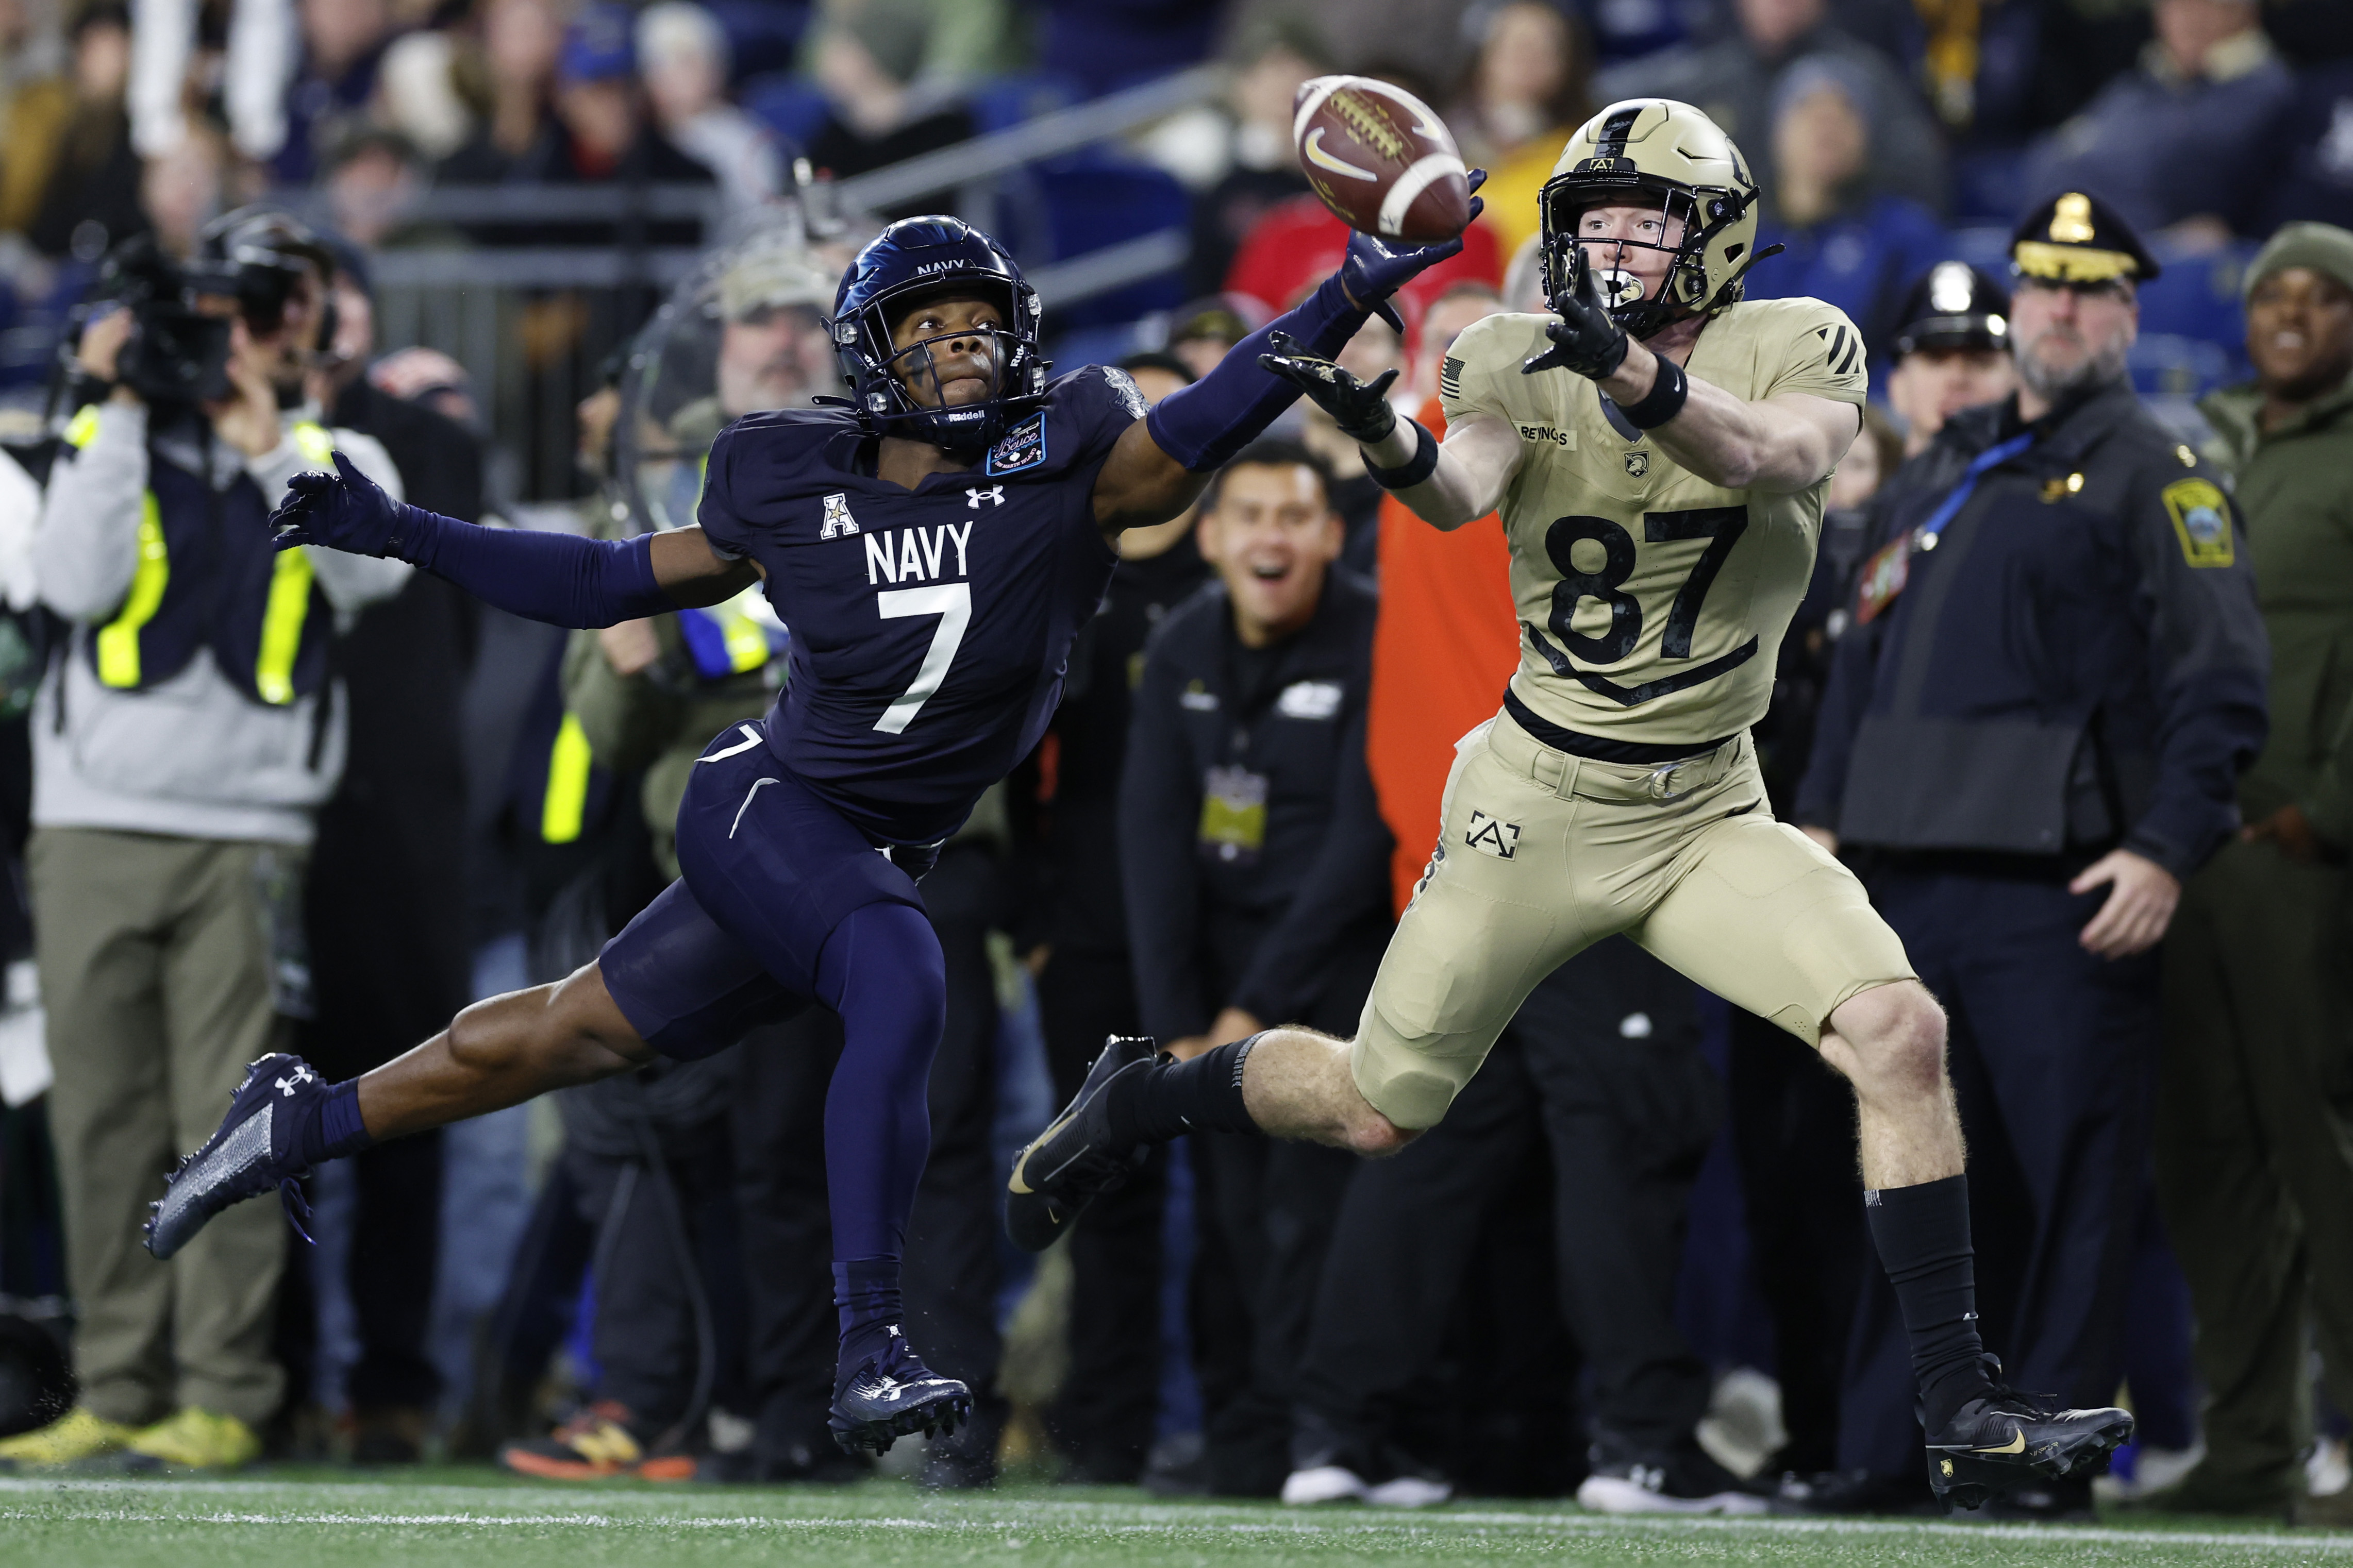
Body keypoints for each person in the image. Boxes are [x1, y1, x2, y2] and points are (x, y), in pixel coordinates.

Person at [139, 206, 1477, 1458]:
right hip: (763, 802)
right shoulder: (782, 471)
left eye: (980, 327)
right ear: (869, 357)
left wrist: (1362, 277)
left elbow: (1211, 412)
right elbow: (610, 578)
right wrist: (398, 530)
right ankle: (869, 1346)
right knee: (898, 974)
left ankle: (299, 1121)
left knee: (570, 1031)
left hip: (865, 849)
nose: (964, 352)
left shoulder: (1071, 450)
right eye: (928, 332)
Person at [1007, 98, 2136, 1514]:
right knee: (1377, 1107)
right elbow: (1454, 488)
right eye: (1590, 216)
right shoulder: (1506, 349)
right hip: (1534, 798)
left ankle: (1958, 1397)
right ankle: (1147, 1095)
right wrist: (1381, 434)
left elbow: (1777, 458)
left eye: (1642, 217)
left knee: (1895, 1029)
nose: (1608, 243)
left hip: (1708, 804)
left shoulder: (1794, 337)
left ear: (1712, 234)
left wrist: (1633, 378)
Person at [1792, 191, 2268, 1519]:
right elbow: (1858, 677)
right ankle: (1894, 1449)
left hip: (2057, 891)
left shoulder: (2155, 471)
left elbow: (2223, 682)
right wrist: (1822, 828)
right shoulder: (1945, 468)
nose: (2059, 307)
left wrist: (2168, 846)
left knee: (2071, 1190)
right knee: (1915, 1181)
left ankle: (2042, 1464)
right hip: (1902, 886)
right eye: (2040, 285)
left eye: (2089, 287)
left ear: (2126, 311)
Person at [1283, 284, 1733, 1513]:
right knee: (1620, 1145)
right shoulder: (1548, 447)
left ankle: (1340, 1427)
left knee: (1419, 1147)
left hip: (1441, 864)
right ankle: (1642, 1438)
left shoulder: (1418, 459)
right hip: (1574, 851)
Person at [0, 212, 410, 1471]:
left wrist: (271, 440)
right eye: (213, 312)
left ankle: (226, 1392)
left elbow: (374, 576)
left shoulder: (337, 450)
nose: (229, 337)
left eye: (259, 310)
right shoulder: (101, 426)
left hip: (248, 832)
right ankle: (118, 1390)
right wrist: (122, 402)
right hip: (89, 819)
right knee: (101, 1121)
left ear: (303, 325)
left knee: (228, 1125)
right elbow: (64, 585)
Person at [1119, 439, 1388, 1496]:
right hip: (1213, 986)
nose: (1269, 537)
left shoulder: (1373, 632)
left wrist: (1250, 1010)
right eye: (1248, 516)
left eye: (1292, 516)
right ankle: (1241, 1434)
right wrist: (1178, 1022)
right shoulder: (1182, 640)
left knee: (1311, 1216)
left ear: (1329, 532)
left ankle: (1322, 1432)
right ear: (1211, 532)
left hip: (1335, 970)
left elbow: (1357, 848)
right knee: (1228, 1221)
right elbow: (1148, 843)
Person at [2150, 221, 2353, 1525]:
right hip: (2187, 844)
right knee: (2207, 1152)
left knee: (2326, 1149)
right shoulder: (2205, 439)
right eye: (2271, 294)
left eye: (2321, 297)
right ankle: (2249, 1445)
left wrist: (2331, 813)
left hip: (2306, 852)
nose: (2290, 314)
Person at [297, 233, 486, 1465]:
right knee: (252, 1122)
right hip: (273, 830)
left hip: (403, 832)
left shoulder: (428, 443)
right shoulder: (211, 430)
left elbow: (457, 615)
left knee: (404, 1116)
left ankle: (395, 1387)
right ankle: (266, 1377)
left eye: (334, 293)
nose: (316, 317)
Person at [1011, 349, 1212, 1485]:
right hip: (1083, 931)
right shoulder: (1052, 574)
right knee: (1093, 1187)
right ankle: (1108, 1432)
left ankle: (1240, 1426)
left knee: (1241, 1189)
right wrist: (1035, 918)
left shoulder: (1234, 585)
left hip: (1217, 927)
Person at [2024, 0, 2293, 245]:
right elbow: (2052, 155)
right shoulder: (2133, 87)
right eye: (2177, 7)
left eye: (2207, 7)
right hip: (2063, 236)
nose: (2190, 20)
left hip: (2151, 255)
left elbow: (2179, 174)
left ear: (2245, 13)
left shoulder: (2267, 91)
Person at [1881, 262, 2016, 461]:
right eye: (1936, 361)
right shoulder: (1854, 490)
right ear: (1897, 387)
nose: (1958, 378)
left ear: (2018, 381)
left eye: (1981, 363)